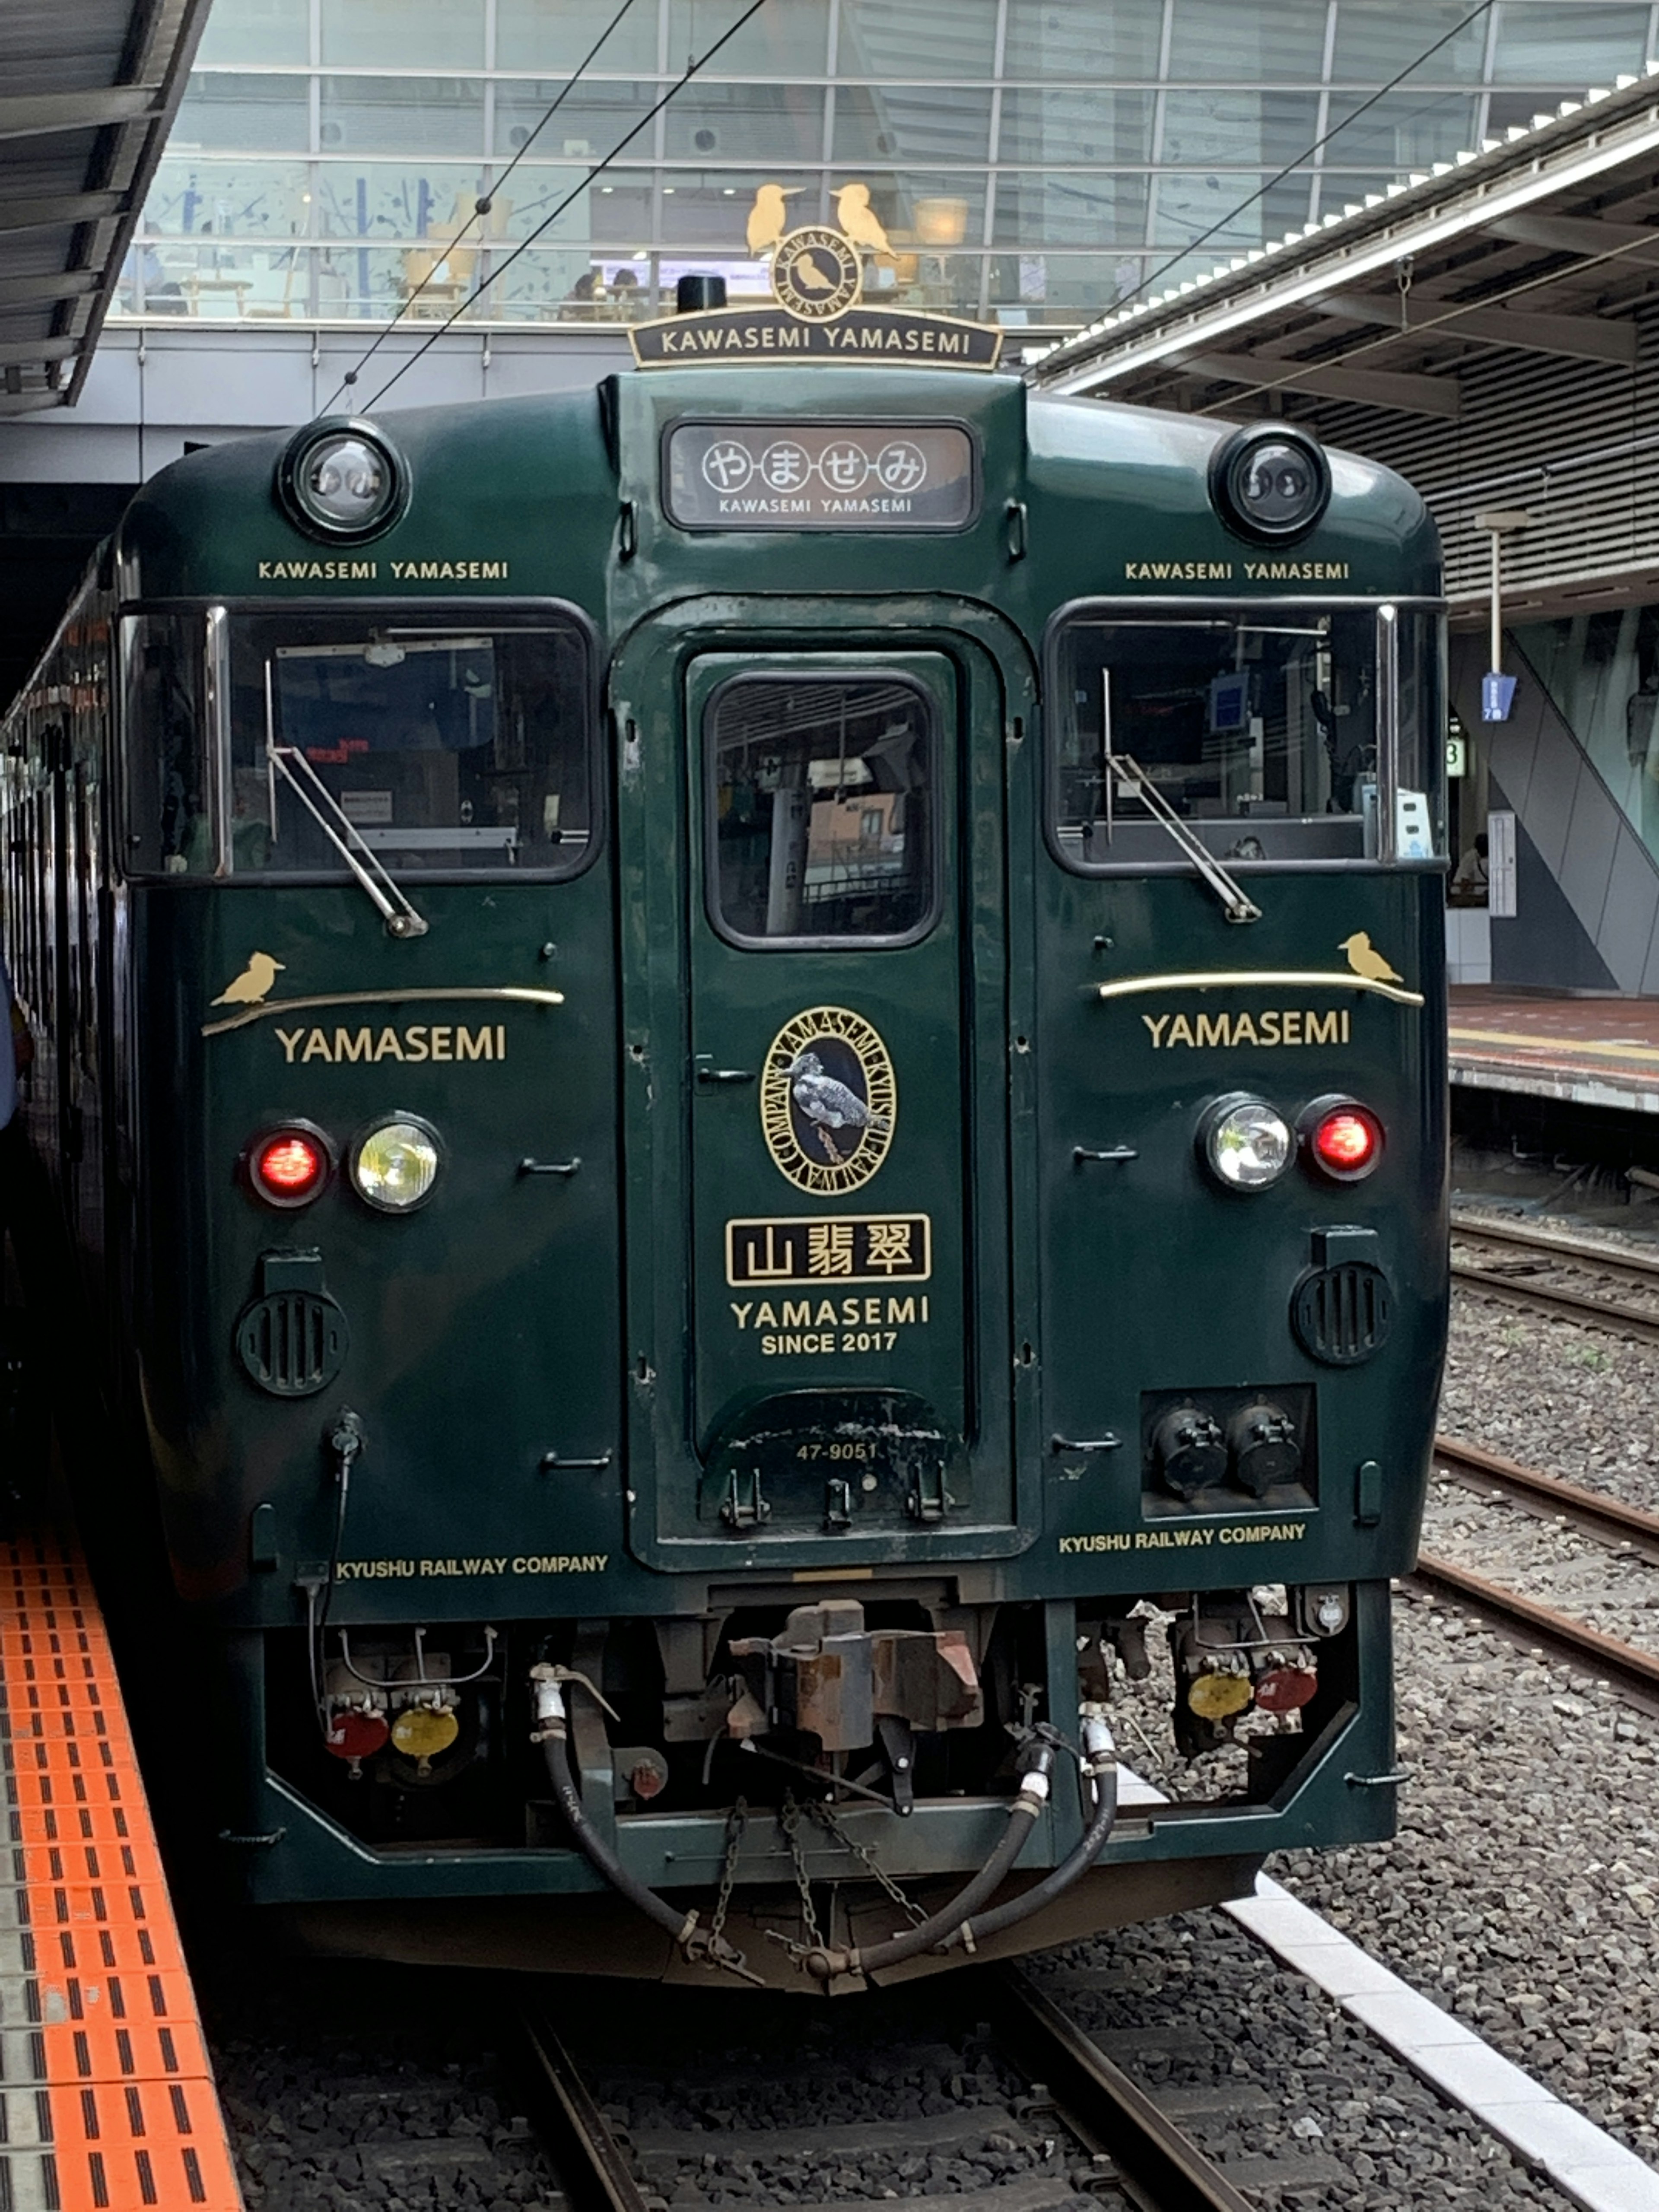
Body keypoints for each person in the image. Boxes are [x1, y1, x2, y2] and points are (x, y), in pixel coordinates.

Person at [1450, 830, 1489, 903]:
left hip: (1478, 894)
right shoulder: (1471, 858)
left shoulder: (1475, 857)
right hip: (1474, 895)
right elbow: (1464, 881)